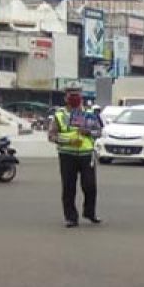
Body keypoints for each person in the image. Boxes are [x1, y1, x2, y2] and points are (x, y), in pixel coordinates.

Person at [48, 85, 102, 228]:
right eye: (71, 95)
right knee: (68, 187)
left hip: (86, 154)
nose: (74, 98)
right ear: (66, 98)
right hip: (67, 155)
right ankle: (71, 217)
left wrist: (89, 132)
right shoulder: (59, 115)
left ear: (82, 97)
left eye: (77, 95)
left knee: (90, 186)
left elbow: (99, 132)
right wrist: (68, 140)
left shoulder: (89, 114)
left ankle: (90, 212)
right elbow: (51, 136)